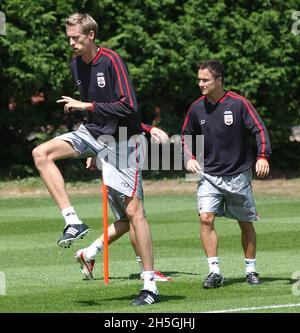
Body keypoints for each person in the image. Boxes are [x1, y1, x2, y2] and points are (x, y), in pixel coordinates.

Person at [32, 13, 160, 305]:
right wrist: (93, 150)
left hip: (124, 143)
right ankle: (72, 221)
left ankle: (150, 285)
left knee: (134, 213)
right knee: (41, 153)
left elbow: (129, 107)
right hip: (93, 134)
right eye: (68, 38)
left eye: (76, 37)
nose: (71, 43)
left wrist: (85, 105)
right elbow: (94, 113)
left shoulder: (112, 60)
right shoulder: (76, 64)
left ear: (91, 35)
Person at [182, 60, 271, 288]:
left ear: (219, 80)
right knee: (206, 218)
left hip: (238, 175)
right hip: (209, 175)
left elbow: (259, 129)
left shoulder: (239, 104)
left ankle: (251, 270)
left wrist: (263, 156)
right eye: (199, 80)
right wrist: (190, 157)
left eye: (205, 80)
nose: (200, 84)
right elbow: (185, 136)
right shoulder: (196, 108)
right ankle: (214, 272)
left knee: (245, 222)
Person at [76, 130, 171, 283]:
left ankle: (89, 253)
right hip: (123, 170)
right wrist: (151, 129)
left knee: (128, 220)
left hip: (113, 170)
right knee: (136, 218)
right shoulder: (120, 107)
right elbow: (124, 118)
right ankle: (146, 271)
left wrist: (93, 152)